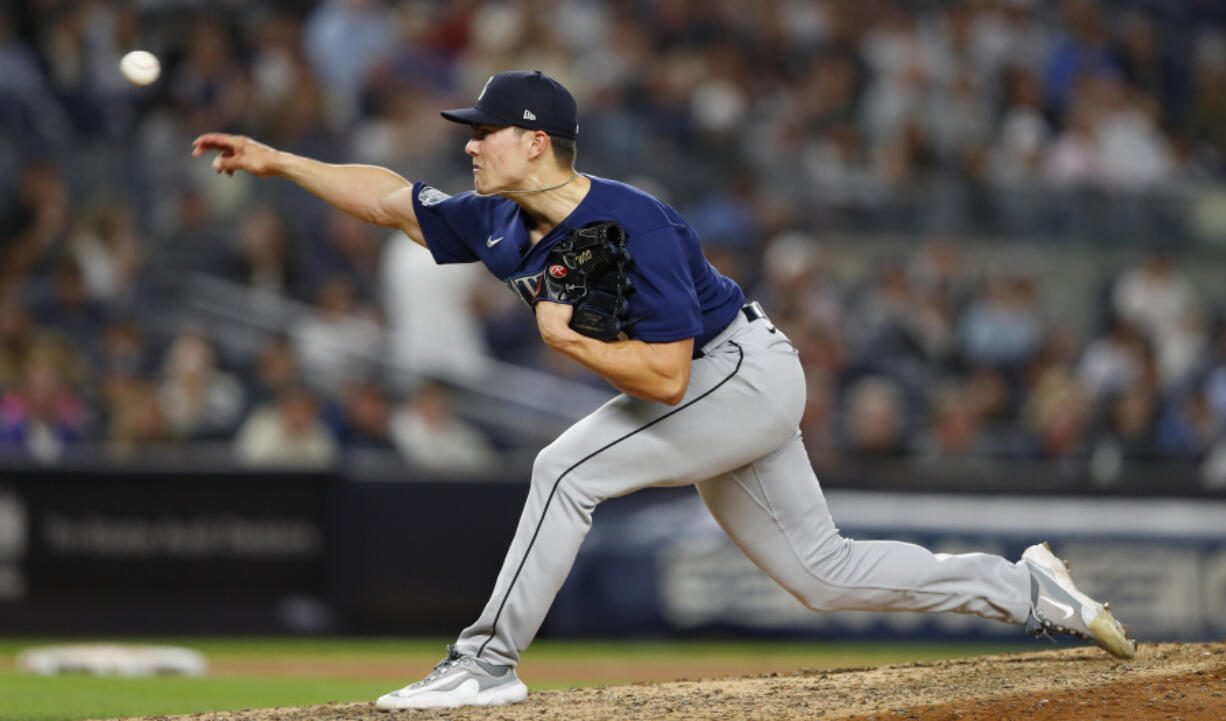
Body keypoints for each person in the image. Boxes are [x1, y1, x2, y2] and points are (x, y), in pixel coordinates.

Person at [192, 70, 1135, 712]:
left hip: (738, 371)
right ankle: (1026, 589)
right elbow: (390, 198)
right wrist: (281, 161)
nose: (470, 146)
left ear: (534, 141)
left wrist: (565, 343)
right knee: (822, 573)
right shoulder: (497, 218)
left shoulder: (632, 220)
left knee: (566, 469)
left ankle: (484, 664)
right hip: (720, 382)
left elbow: (666, 375)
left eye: (484, 133)